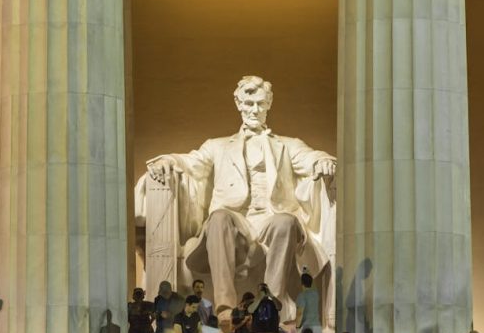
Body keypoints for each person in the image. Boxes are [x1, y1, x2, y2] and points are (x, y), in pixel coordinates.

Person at [139, 75, 337, 313]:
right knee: (219, 217)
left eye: (260, 104)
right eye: (249, 103)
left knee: (286, 221)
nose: (254, 110)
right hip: (235, 222)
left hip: (271, 221)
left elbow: (310, 158)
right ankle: (225, 305)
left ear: (269, 104)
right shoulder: (217, 145)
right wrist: (168, 160)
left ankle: (272, 303)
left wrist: (324, 161)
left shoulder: (288, 145)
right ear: (239, 104)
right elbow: (192, 162)